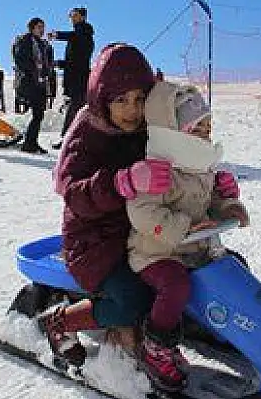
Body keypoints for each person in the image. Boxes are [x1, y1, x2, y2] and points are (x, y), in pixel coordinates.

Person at [40, 42, 169, 373]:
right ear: (101, 99)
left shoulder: (147, 130)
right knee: (131, 299)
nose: (132, 110)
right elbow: (73, 193)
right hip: (94, 245)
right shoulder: (87, 133)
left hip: (138, 233)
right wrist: (119, 183)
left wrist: (212, 184)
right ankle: (60, 322)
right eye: (121, 100)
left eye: (140, 99)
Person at [121, 80, 250, 391]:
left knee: (233, 266)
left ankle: (227, 325)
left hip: (194, 249)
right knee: (176, 283)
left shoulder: (200, 166)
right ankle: (156, 346)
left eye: (208, 125)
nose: (206, 132)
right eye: (197, 127)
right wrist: (184, 229)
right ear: (173, 131)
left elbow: (211, 204)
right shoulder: (156, 171)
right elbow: (142, 212)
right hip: (154, 253)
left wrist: (228, 206)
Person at [48, 6, 95, 148]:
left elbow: (77, 59)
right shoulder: (79, 35)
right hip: (76, 78)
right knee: (78, 110)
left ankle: (67, 139)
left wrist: (57, 35)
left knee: (75, 110)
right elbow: (74, 61)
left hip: (79, 80)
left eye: (74, 15)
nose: (71, 18)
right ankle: (77, 139)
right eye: (70, 15)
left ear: (82, 17)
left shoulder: (83, 33)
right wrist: (60, 64)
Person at [14, 17, 51, 154]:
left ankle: (31, 142)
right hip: (30, 82)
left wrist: (46, 70)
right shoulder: (25, 41)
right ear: (32, 28)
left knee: (39, 114)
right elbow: (19, 60)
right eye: (39, 27)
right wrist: (33, 69)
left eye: (43, 27)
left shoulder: (42, 44)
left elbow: (45, 62)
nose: (42, 30)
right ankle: (29, 144)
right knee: (37, 114)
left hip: (40, 83)